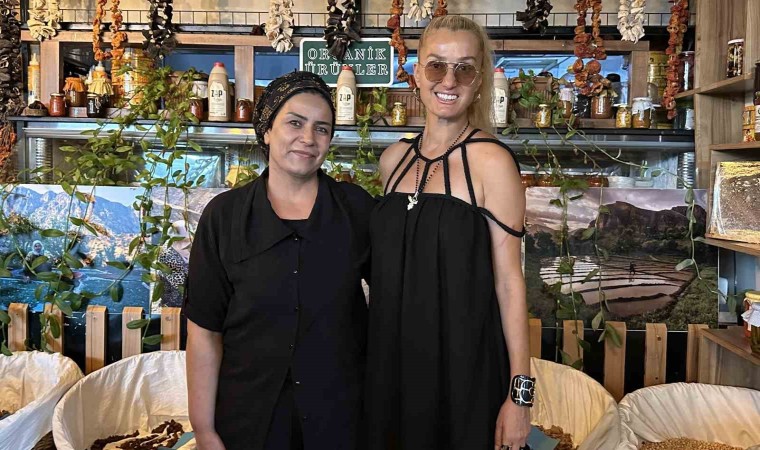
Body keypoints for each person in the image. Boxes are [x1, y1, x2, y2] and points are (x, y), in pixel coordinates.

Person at [365, 15, 533, 450]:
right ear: (417, 73)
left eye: (465, 68)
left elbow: (509, 282)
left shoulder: (493, 162)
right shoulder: (392, 161)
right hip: (391, 370)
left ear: (479, 81)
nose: (449, 80)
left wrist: (520, 397)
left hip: (465, 375)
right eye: (437, 65)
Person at [184, 71, 376, 450]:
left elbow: (396, 300)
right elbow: (204, 333)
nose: (308, 138)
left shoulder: (356, 210)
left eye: (322, 128)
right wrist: (204, 430)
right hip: (248, 422)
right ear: (267, 130)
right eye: (295, 123)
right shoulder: (224, 217)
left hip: (340, 421)